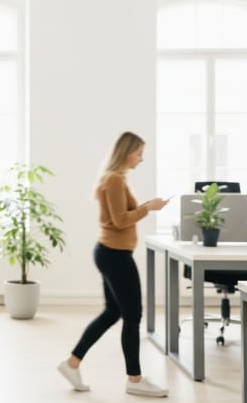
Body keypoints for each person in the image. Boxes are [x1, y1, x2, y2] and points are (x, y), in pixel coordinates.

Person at [57, 131, 169, 398]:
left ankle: (72, 364)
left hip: (111, 252)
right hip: (115, 255)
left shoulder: (113, 178)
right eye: (139, 153)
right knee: (133, 316)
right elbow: (120, 221)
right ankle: (135, 379)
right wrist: (149, 208)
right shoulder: (115, 179)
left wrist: (145, 206)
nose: (141, 159)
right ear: (126, 151)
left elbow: (119, 216)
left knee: (112, 313)